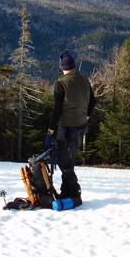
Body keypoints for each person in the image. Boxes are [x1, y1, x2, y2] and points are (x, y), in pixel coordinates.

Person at [47, 51, 95, 206]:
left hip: (66, 126)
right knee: (70, 159)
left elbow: (57, 110)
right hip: (81, 125)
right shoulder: (84, 79)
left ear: (62, 67)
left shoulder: (60, 83)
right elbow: (93, 101)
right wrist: (86, 116)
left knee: (63, 161)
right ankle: (66, 191)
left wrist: (50, 130)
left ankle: (74, 191)